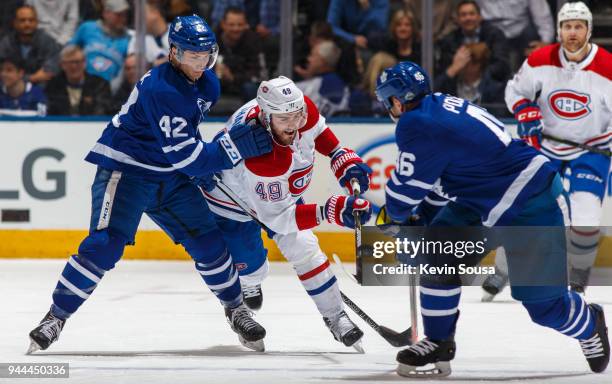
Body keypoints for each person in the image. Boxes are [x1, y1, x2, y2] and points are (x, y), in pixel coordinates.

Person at [27, 15, 273, 355]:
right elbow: (187, 156)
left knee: (209, 242)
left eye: (206, 56)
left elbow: (185, 137)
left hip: (168, 173)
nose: (200, 64)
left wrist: (200, 161)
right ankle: (55, 317)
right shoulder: (162, 88)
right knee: (104, 245)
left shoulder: (208, 85)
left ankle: (237, 309)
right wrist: (229, 150)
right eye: (191, 56)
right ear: (173, 53)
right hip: (126, 171)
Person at [374, 61, 609, 377]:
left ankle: (590, 324)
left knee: (545, 308)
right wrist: (419, 217)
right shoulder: (438, 106)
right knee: (434, 252)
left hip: (530, 203)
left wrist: (394, 217)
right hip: (482, 200)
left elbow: (403, 196)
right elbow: (449, 175)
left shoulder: (415, 124)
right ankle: (438, 340)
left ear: (396, 100)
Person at [200, 76, 372, 350]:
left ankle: (336, 316)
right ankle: (248, 286)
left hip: (279, 194)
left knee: (305, 247)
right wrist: (330, 210)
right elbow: (278, 219)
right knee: (252, 268)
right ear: (266, 118)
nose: (293, 124)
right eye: (284, 119)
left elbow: (319, 133)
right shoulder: (263, 157)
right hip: (233, 203)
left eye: (297, 115)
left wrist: (342, 157)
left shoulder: (299, 110)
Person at [482, 1, 612, 297]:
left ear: (589, 30)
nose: (573, 33)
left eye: (579, 26)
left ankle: (577, 272)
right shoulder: (541, 59)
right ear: (559, 30)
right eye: (567, 26)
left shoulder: (607, 66)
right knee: (525, 207)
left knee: (586, 212)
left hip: (592, 148)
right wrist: (525, 110)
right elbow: (514, 91)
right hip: (547, 145)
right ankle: (504, 268)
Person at [435, 0, 509, 94]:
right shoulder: (449, 41)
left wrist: (477, 76)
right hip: (458, 88)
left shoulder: (494, 35)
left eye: (471, 14)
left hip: (489, 87)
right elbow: (444, 71)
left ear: (479, 17)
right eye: (463, 15)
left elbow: (502, 65)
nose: (468, 18)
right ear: (457, 19)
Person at [67, 0, 131, 90]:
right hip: (82, 83)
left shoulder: (128, 39)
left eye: (125, 15)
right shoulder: (87, 28)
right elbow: (69, 52)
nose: (123, 19)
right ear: (106, 13)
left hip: (108, 88)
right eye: (119, 15)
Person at [0, 4, 61, 84]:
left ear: (37, 23)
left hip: (41, 90)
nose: (27, 24)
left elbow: (49, 72)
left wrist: (19, 78)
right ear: (15, 23)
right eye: (22, 20)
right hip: (10, 90)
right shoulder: (7, 43)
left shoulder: (47, 41)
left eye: (31, 20)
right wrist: (33, 78)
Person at [46, 45, 112, 116]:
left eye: (77, 62)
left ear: (84, 63)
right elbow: (51, 110)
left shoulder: (100, 84)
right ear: (62, 65)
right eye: (70, 62)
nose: (74, 66)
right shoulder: (53, 85)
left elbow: (101, 111)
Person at [295, 41, 350, 117]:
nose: (309, 59)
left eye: (312, 55)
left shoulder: (330, 82)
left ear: (322, 61)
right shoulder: (335, 81)